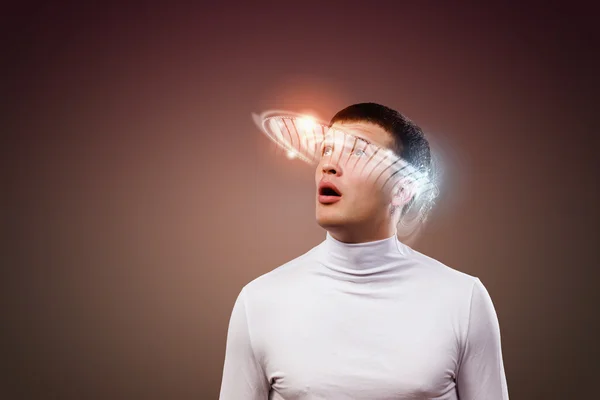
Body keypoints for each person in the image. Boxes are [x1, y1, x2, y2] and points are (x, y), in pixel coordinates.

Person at [219, 103, 509, 399]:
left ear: (401, 190)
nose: (329, 165)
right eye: (327, 150)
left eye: (358, 153)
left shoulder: (464, 300)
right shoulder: (259, 302)